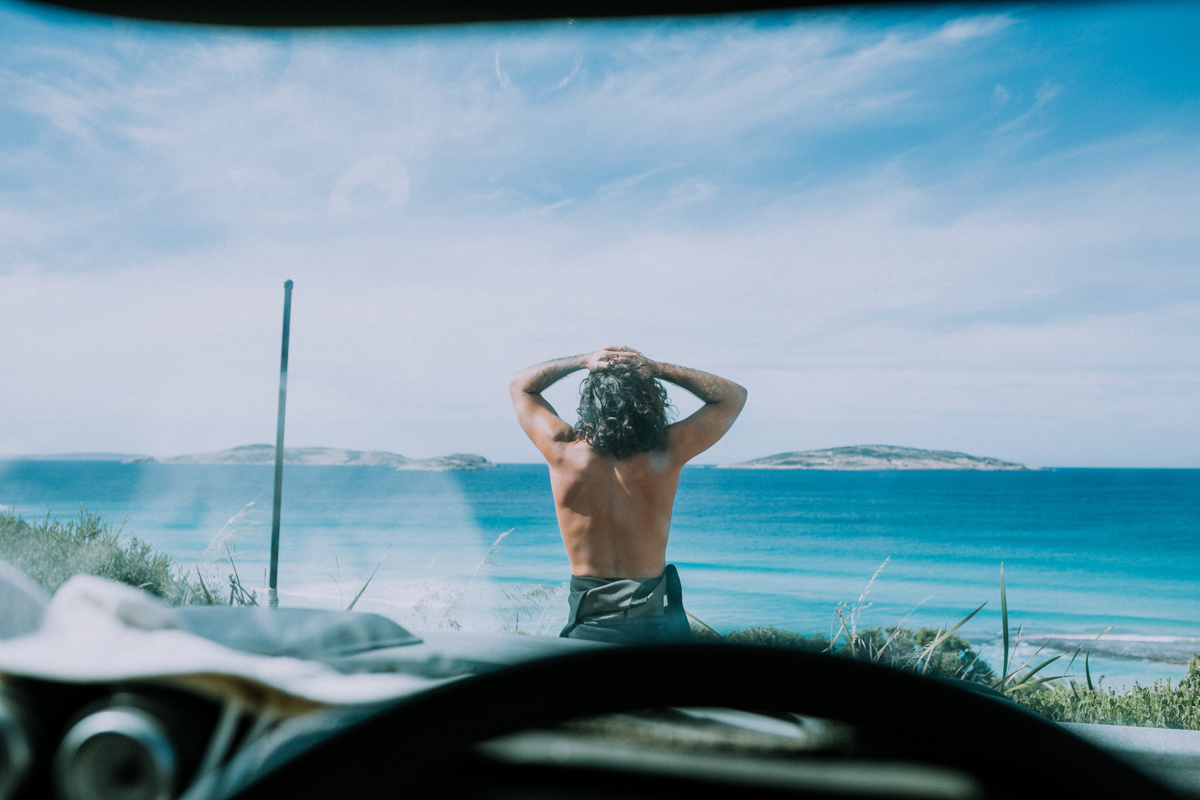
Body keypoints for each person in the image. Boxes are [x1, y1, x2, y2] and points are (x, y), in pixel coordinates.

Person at [509, 346, 747, 643]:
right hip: (653, 631)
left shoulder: (562, 452)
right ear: (647, 401)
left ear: (590, 401)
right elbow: (732, 396)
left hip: (587, 629)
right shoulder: (665, 454)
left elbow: (521, 385)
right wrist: (657, 367)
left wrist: (583, 361)